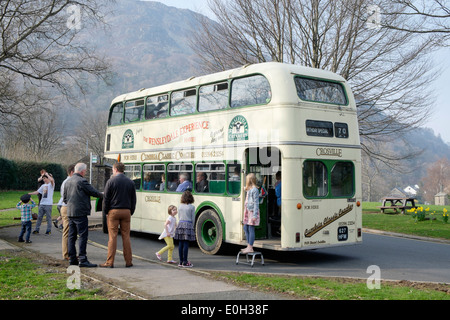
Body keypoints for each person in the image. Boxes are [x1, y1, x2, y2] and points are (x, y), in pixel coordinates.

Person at [63, 162, 103, 268]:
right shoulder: (82, 181)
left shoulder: (68, 181)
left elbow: (65, 198)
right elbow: (95, 193)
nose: (85, 173)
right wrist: (104, 194)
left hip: (70, 212)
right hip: (81, 213)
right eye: (85, 171)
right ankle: (83, 259)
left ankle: (72, 259)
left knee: (71, 236)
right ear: (82, 171)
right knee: (82, 236)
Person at [100, 162, 137, 268]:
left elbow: (106, 199)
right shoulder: (130, 182)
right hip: (126, 211)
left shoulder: (111, 181)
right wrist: (131, 211)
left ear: (115, 169)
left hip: (113, 211)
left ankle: (110, 262)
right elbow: (133, 199)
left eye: (112, 169)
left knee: (113, 237)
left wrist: (106, 212)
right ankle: (128, 261)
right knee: (126, 237)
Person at [57, 164, 75, 260]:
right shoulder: (68, 181)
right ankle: (66, 254)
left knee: (70, 231)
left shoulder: (67, 181)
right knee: (67, 231)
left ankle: (70, 253)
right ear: (72, 172)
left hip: (67, 207)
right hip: (67, 207)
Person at [174, 191, 196, 267]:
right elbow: (193, 218)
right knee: (186, 243)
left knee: (180, 243)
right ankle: (185, 261)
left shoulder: (180, 206)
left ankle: (180, 261)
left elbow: (179, 216)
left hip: (181, 224)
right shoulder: (192, 207)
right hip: (188, 224)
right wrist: (192, 227)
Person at [242, 173, 260, 254]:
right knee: (245, 227)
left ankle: (250, 247)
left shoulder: (255, 190)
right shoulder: (249, 189)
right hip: (248, 211)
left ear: (249, 181)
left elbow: (256, 203)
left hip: (252, 212)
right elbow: (245, 188)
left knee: (251, 228)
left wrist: (255, 215)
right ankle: (248, 246)